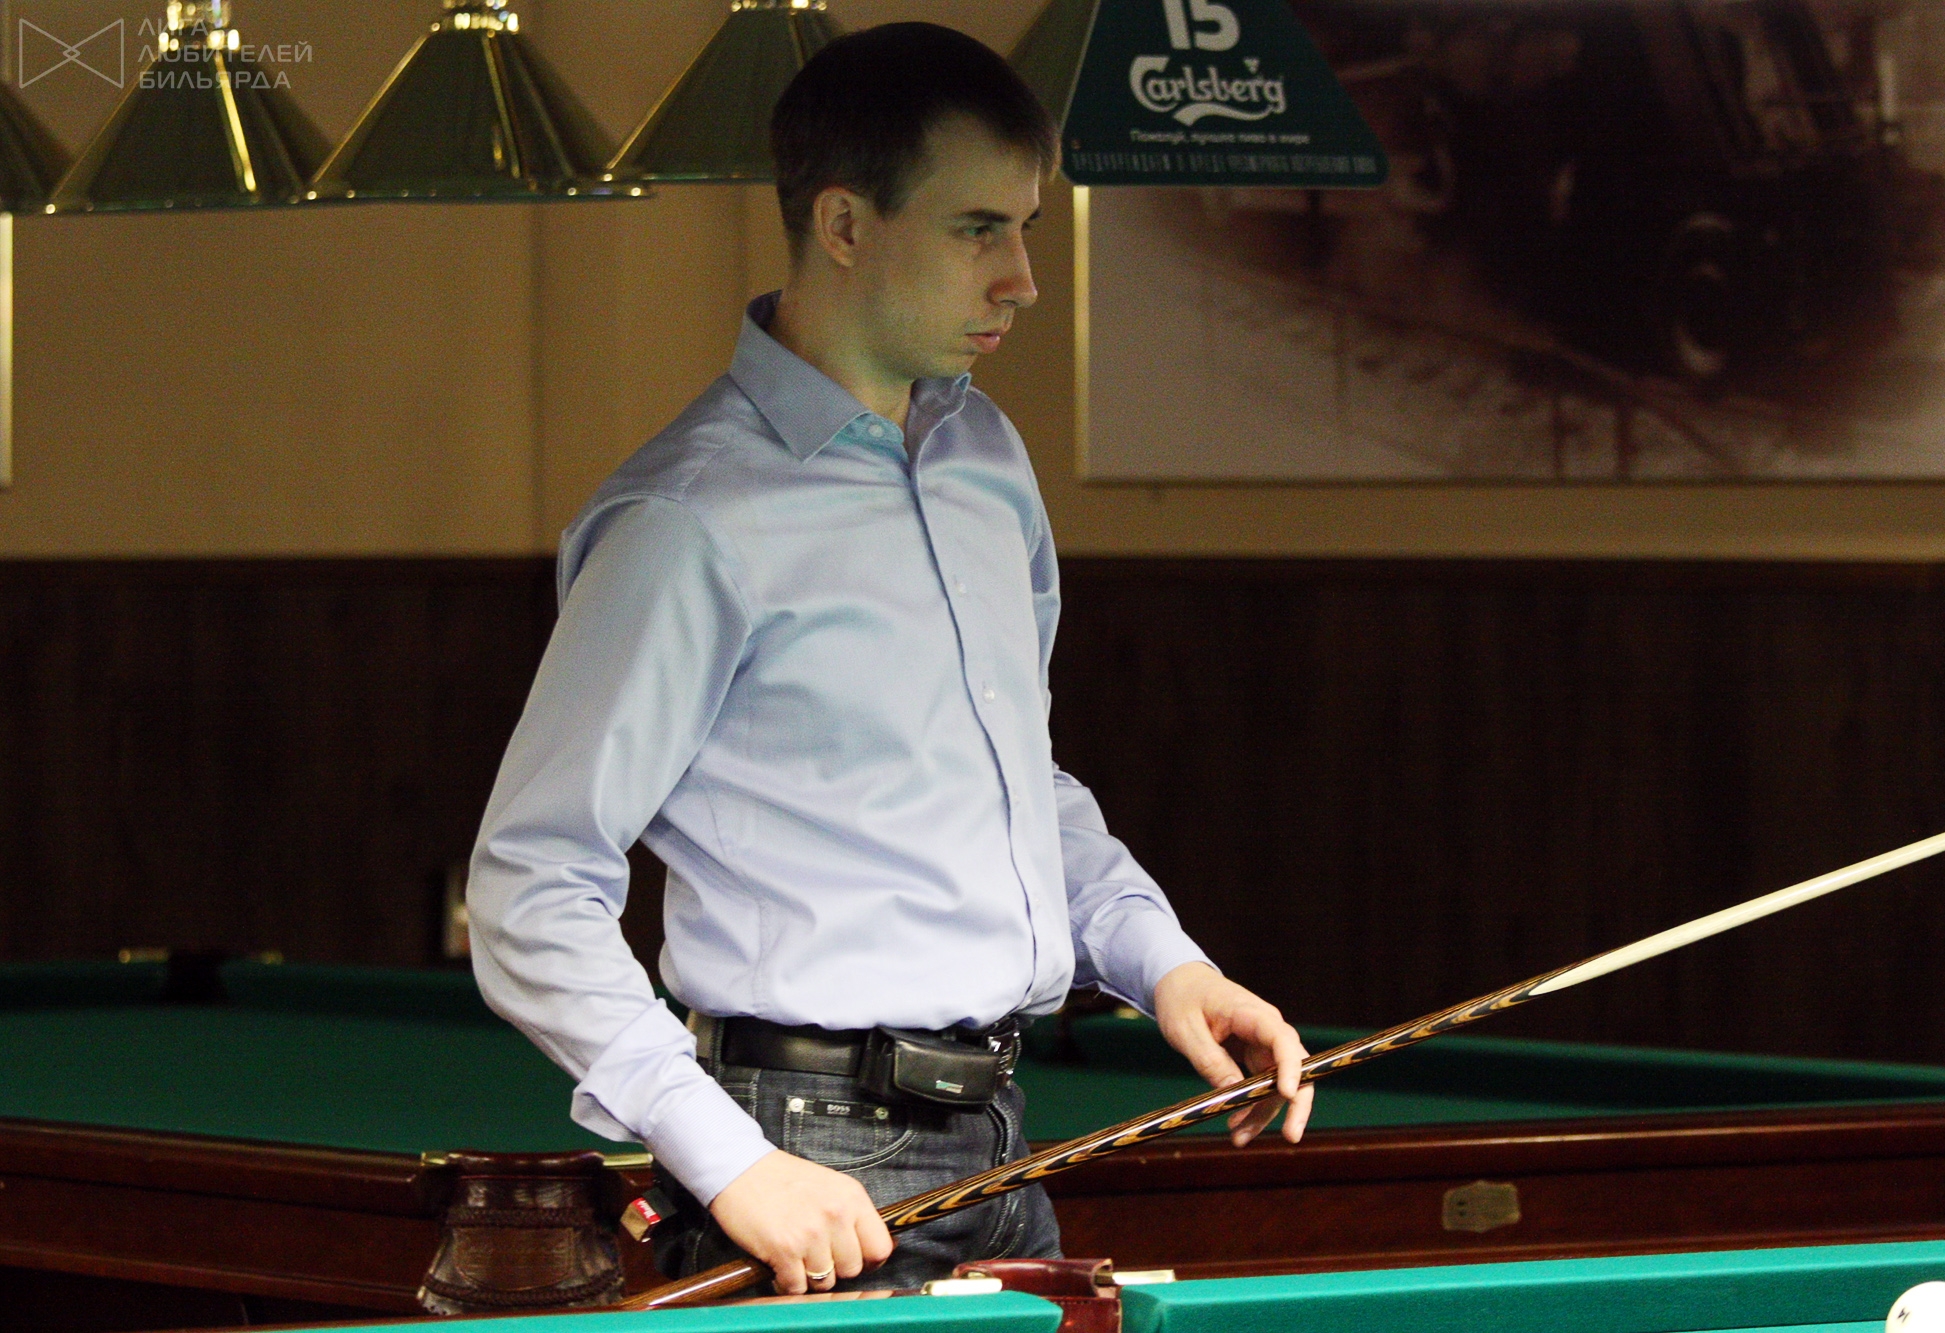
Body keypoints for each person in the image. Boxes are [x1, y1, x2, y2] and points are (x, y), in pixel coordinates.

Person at [466, 21, 1314, 1297]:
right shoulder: (686, 519)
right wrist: (728, 1160)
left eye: (1024, 228)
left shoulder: (987, 462)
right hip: (804, 1158)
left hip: (1000, 1146)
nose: (1022, 279)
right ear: (845, 225)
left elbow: (1013, 783)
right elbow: (530, 883)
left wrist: (1165, 961)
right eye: (978, 230)